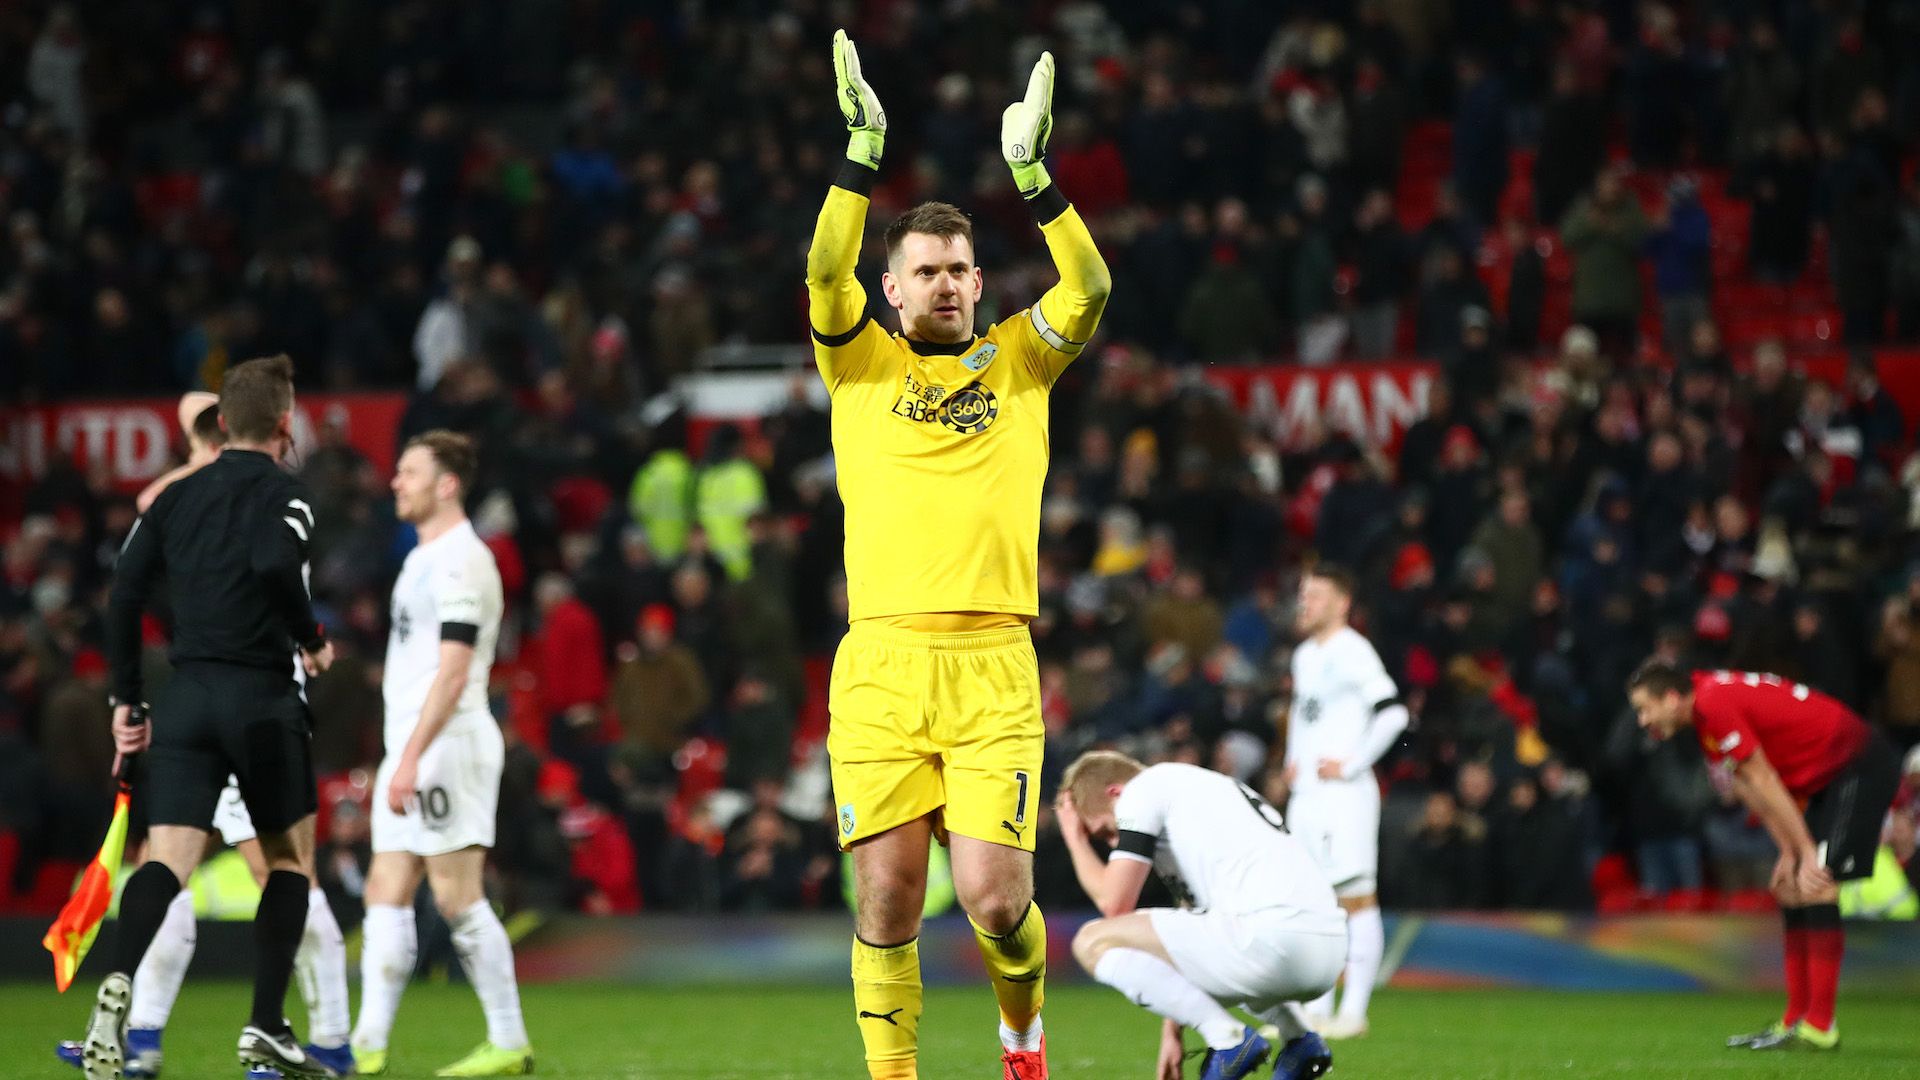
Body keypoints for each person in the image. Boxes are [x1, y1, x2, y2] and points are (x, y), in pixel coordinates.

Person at [807, 30, 1109, 1080]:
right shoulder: (859, 366)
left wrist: (1036, 179)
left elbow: (1092, 289)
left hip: (992, 665)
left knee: (995, 900)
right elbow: (820, 266)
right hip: (883, 665)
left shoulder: (1020, 360)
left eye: (958, 271)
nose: (943, 284)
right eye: (924, 271)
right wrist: (861, 154)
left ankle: (1021, 1034)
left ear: (980, 284)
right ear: (892, 291)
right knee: (886, 895)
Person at [57, 392, 354, 1077]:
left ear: (216, 429)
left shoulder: (199, 499)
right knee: (275, 871)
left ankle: (331, 1036)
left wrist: (126, 698)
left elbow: (134, 562)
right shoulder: (261, 495)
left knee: (188, 868)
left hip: (196, 700)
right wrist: (312, 636)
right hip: (258, 706)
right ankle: (179, 1035)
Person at [349, 431, 533, 1077]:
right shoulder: (421, 557)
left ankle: (509, 1040)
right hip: (416, 746)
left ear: (447, 483)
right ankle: (365, 1044)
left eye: (409, 472)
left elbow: (453, 673)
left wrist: (410, 756)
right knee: (386, 887)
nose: (396, 482)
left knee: (456, 896)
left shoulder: (461, 559)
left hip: (447, 745)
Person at [1627, 661, 1901, 1051]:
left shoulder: (1713, 703)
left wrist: (1805, 851)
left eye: (1644, 708)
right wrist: (1788, 852)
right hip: (1827, 776)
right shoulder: (1704, 709)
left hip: (1857, 765)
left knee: (1818, 883)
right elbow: (1747, 784)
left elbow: (1763, 778)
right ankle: (1795, 1021)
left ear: (1670, 699)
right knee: (1791, 888)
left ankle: (1821, 1027)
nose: (1642, 720)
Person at [1056, 750, 1342, 1080]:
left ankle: (1229, 1040)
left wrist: (1075, 839)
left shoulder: (1142, 790)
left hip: (1274, 939)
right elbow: (1188, 934)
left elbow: (1113, 904)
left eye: (1105, 831)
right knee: (1218, 939)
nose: (1113, 843)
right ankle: (1300, 1039)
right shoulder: (1197, 791)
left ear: (1115, 792)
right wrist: (1171, 1032)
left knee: (1091, 940)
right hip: (1325, 950)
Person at [1285, 564, 1408, 1039]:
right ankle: (1317, 1009)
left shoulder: (1354, 652)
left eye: (1315, 595)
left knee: (1355, 900)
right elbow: (1305, 715)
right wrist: (1294, 761)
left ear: (1342, 603)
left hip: (1343, 797)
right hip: (1308, 796)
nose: (1305, 603)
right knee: (1315, 904)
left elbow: (1394, 714)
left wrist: (1352, 763)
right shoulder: (1303, 656)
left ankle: (1353, 1011)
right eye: (1303, 594)